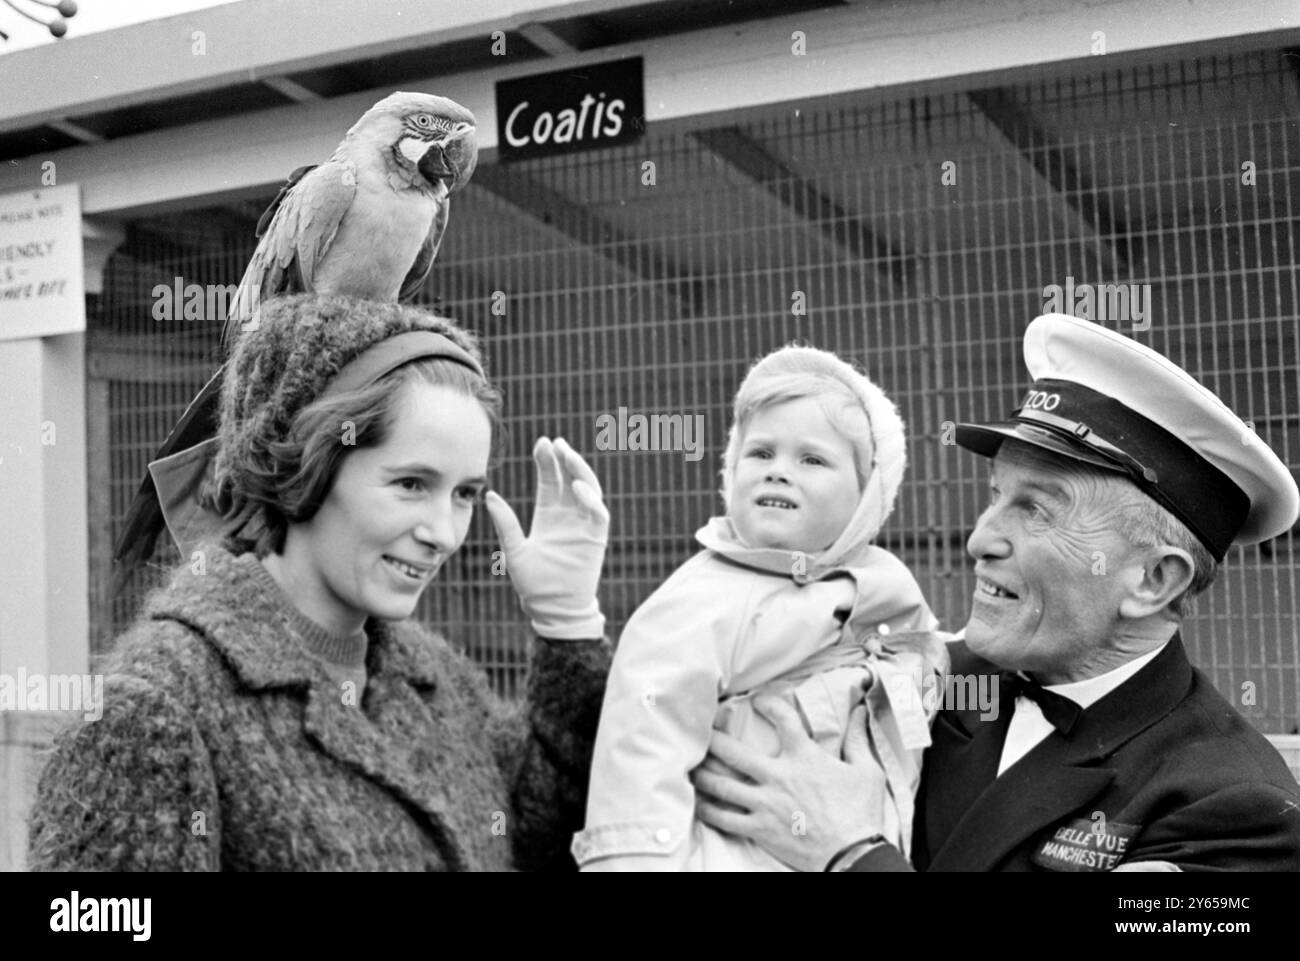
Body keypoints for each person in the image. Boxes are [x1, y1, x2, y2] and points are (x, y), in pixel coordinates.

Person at [692, 313, 1300, 872]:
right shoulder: (925, 675)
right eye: (995, 496)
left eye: (1035, 510)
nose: (979, 539)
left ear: (1153, 580)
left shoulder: (1237, 812)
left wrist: (852, 854)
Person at [28, 294, 612, 872]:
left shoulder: (438, 683)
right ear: (310, 463)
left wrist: (567, 623)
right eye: (411, 484)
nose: (445, 533)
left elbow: (544, 835)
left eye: (463, 494)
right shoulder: (154, 711)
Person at [573, 345, 946, 871]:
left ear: (867, 497)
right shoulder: (703, 597)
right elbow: (642, 738)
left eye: (812, 459)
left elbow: (927, 663)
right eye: (761, 453)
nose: (779, 472)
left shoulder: (889, 588)